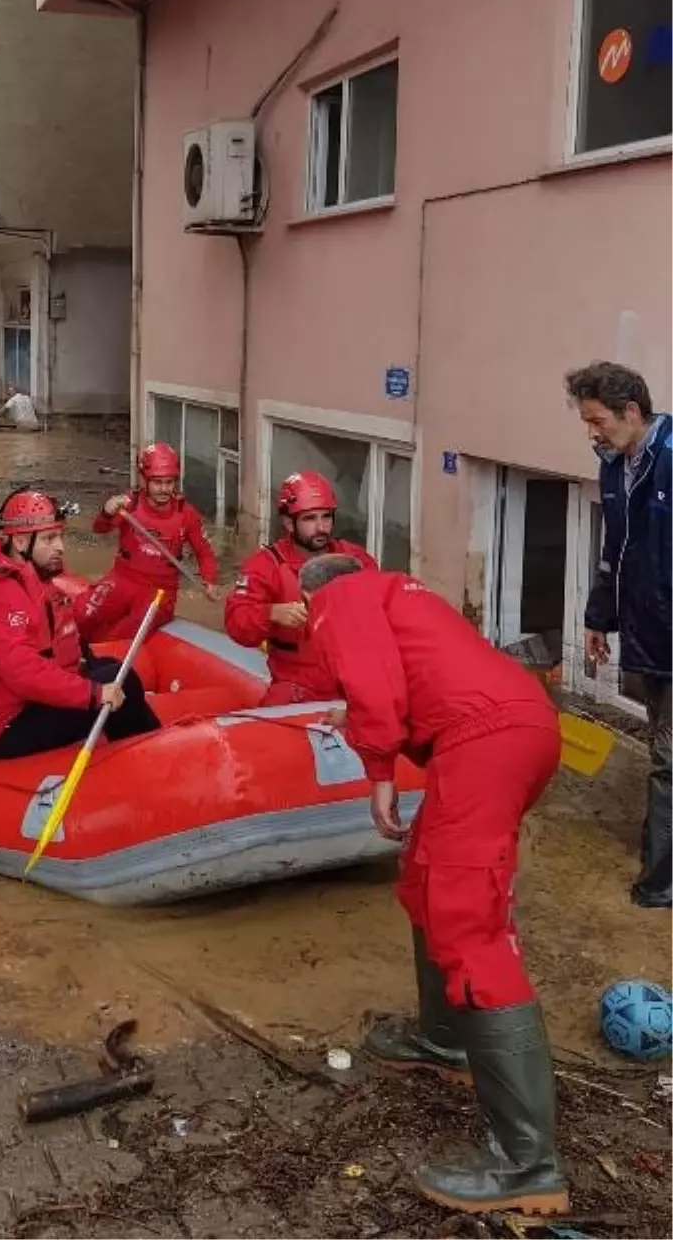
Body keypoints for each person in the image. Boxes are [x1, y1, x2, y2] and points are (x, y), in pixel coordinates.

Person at [299, 555, 565, 1217]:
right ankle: (443, 1040)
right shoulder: (401, 594)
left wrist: (380, 773)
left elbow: (374, 681)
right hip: (516, 729)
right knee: (425, 878)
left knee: (469, 923)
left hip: (484, 741)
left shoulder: (339, 598)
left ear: (312, 599)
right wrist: (360, 723)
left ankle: (527, 1164)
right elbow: (411, 682)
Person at [565, 360, 673, 907]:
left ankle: (661, 883)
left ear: (631, 412)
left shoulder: (672, 461)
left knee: (668, 763)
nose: (592, 432)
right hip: (650, 640)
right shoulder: (616, 467)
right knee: (665, 752)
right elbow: (616, 553)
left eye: (597, 420)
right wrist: (596, 618)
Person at [0, 491, 162, 759]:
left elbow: (61, 640)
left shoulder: (27, 575)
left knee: (112, 670)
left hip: (25, 705)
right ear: (21, 541)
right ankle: (150, 759)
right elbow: (22, 674)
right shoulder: (4, 595)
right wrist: (91, 692)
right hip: (9, 725)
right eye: (50, 539)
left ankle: (133, 746)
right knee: (121, 682)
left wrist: (89, 667)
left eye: (60, 536)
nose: (60, 547)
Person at [224, 470, 377, 703]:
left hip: (350, 683)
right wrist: (271, 613)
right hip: (295, 687)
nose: (321, 527)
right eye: (310, 519)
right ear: (288, 522)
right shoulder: (266, 565)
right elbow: (237, 622)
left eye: (326, 517)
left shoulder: (356, 559)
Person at [75, 443, 220, 643]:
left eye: (169, 482)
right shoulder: (128, 504)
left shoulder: (186, 514)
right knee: (83, 615)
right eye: (157, 483)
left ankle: (102, 661)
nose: (164, 489)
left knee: (121, 637)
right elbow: (99, 529)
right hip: (122, 578)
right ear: (144, 480)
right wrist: (106, 512)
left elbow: (204, 553)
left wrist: (210, 581)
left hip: (160, 591)